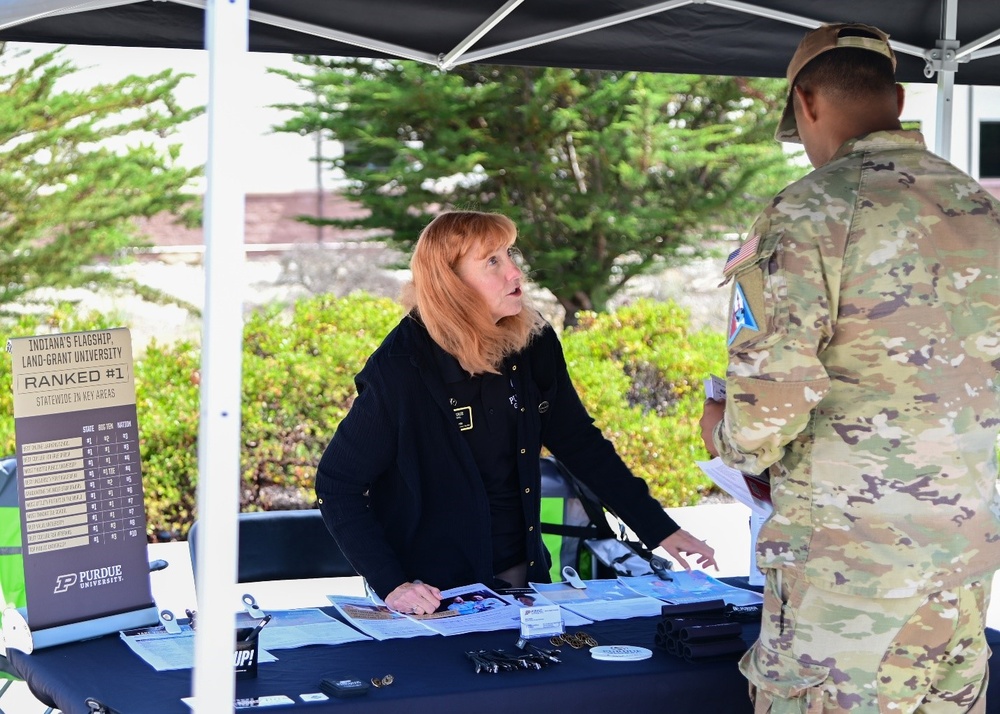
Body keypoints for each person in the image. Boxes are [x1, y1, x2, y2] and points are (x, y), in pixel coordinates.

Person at [699, 22, 1000, 714]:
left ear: (807, 102)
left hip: (847, 582)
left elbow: (769, 408)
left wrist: (722, 433)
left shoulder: (809, 212)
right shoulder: (983, 210)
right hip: (961, 569)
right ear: (896, 96)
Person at [316, 210, 717, 615]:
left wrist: (660, 529)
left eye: (510, 254)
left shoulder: (532, 341)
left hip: (523, 577)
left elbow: (579, 443)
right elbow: (337, 484)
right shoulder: (400, 368)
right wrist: (392, 584)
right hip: (428, 596)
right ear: (450, 281)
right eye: (493, 261)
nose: (514, 272)